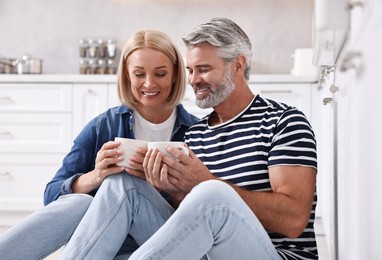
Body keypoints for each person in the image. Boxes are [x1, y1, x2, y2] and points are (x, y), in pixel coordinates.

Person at [59, 18, 318, 260]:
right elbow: (190, 224)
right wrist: (170, 189)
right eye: (190, 70)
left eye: (203, 69)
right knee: (123, 184)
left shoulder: (283, 121)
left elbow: (293, 220)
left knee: (213, 192)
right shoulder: (195, 133)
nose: (193, 81)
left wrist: (205, 183)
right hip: (206, 252)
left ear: (238, 65)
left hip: (274, 254)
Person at [0, 29, 198, 259]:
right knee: (79, 203)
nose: (149, 83)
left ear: (175, 74)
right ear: (127, 75)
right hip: (105, 242)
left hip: (159, 240)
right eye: (139, 73)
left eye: (160, 74)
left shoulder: (196, 132)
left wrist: (170, 188)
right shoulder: (103, 126)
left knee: (124, 184)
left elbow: (206, 213)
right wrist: (96, 176)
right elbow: (51, 197)